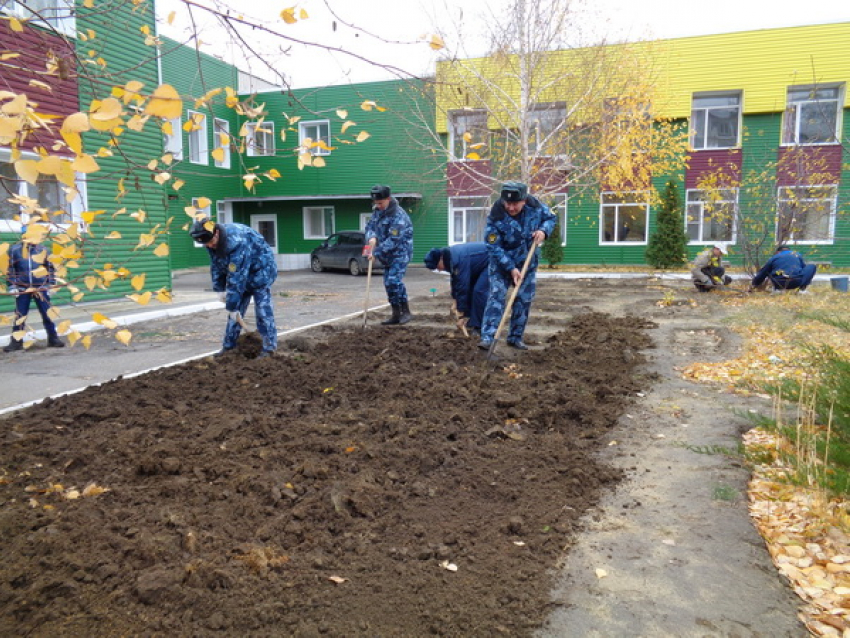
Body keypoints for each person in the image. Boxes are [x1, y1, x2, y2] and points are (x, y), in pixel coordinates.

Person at [478, 181, 557, 351]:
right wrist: (511, 268)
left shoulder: (536, 207)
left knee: (523, 299)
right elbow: (493, 246)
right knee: (496, 296)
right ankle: (488, 337)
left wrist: (543, 231)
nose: (511, 208)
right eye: (508, 203)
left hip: (526, 262)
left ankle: (515, 337)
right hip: (501, 264)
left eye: (515, 204)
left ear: (524, 201)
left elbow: (551, 218)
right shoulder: (496, 214)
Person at [189, 217, 278, 357]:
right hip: (242, 272)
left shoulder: (237, 242)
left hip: (261, 270)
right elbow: (216, 264)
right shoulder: (210, 241)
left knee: (262, 310)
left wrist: (231, 304)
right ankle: (229, 347)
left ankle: (269, 348)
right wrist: (219, 288)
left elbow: (237, 277)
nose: (210, 246)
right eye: (206, 244)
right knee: (234, 314)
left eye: (211, 242)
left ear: (216, 233)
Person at [4, 224, 65, 352]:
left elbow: (50, 268)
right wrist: (12, 286)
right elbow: (10, 270)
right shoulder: (14, 250)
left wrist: (50, 284)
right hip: (22, 288)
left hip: (41, 287)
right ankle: (16, 341)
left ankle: (53, 338)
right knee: (20, 315)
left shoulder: (43, 250)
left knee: (47, 313)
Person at [364, 184, 414, 325]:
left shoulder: (399, 216)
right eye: (375, 203)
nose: (377, 205)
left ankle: (406, 312)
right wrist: (371, 238)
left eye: (380, 203)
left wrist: (376, 252)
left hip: (400, 253)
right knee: (388, 283)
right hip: (386, 255)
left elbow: (394, 240)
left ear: (388, 199)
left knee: (394, 281)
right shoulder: (377, 212)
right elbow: (369, 227)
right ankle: (395, 314)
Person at [424, 242, 490, 335]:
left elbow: (463, 287)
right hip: (476, 265)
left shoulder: (458, 259)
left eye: (437, 266)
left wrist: (461, 315)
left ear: (440, 259)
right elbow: (455, 282)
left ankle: (479, 326)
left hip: (490, 261)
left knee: (479, 291)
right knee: (471, 290)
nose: (438, 270)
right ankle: (472, 320)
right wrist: (455, 301)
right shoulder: (449, 259)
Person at [750, 245, 817, 294]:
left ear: (778, 252)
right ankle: (802, 290)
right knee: (812, 266)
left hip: (779, 283)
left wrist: (754, 285)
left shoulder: (774, 258)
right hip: (796, 281)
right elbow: (804, 269)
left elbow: (762, 274)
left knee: (768, 269)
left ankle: (778, 290)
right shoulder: (797, 254)